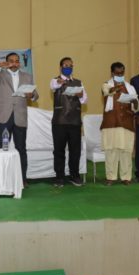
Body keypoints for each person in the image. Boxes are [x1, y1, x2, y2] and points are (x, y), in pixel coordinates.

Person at [0, 52, 38, 182]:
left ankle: (22, 179)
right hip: (4, 115)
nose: (14, 63)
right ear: (7, 62)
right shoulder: (1, 74)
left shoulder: (27, 76)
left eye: (17, 61)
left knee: (21, 148)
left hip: (20, 116)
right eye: (11, 61)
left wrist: (31, 95)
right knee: (2, 147)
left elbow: (35, 94)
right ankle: (2, 179)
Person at [100, 62, 139, 185]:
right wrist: (115, 88)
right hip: (111, 122)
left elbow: (137, 107)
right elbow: (107, 92)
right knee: (111, 151)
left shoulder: (130, 87)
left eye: (122, 73)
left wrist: (135, 102)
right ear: (112, 73)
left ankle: (126, 177)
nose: (120, 75)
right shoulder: (106, 84)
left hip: (126, 122)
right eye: (117, 73)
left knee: (126, 151)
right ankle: (110, 177)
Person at [50, 57, 87, 187]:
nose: (68, 67)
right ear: (61, 67)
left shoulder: (78, 82)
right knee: (59, 151)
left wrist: (81, 95)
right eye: (66, 65)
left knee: (75, 151)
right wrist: (60, 82)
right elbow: (53, 86)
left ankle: (74, 176)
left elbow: (85, 100)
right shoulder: (55, 80)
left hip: (75, 121)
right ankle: (59, 177)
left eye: (70, 65)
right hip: (59, 121)